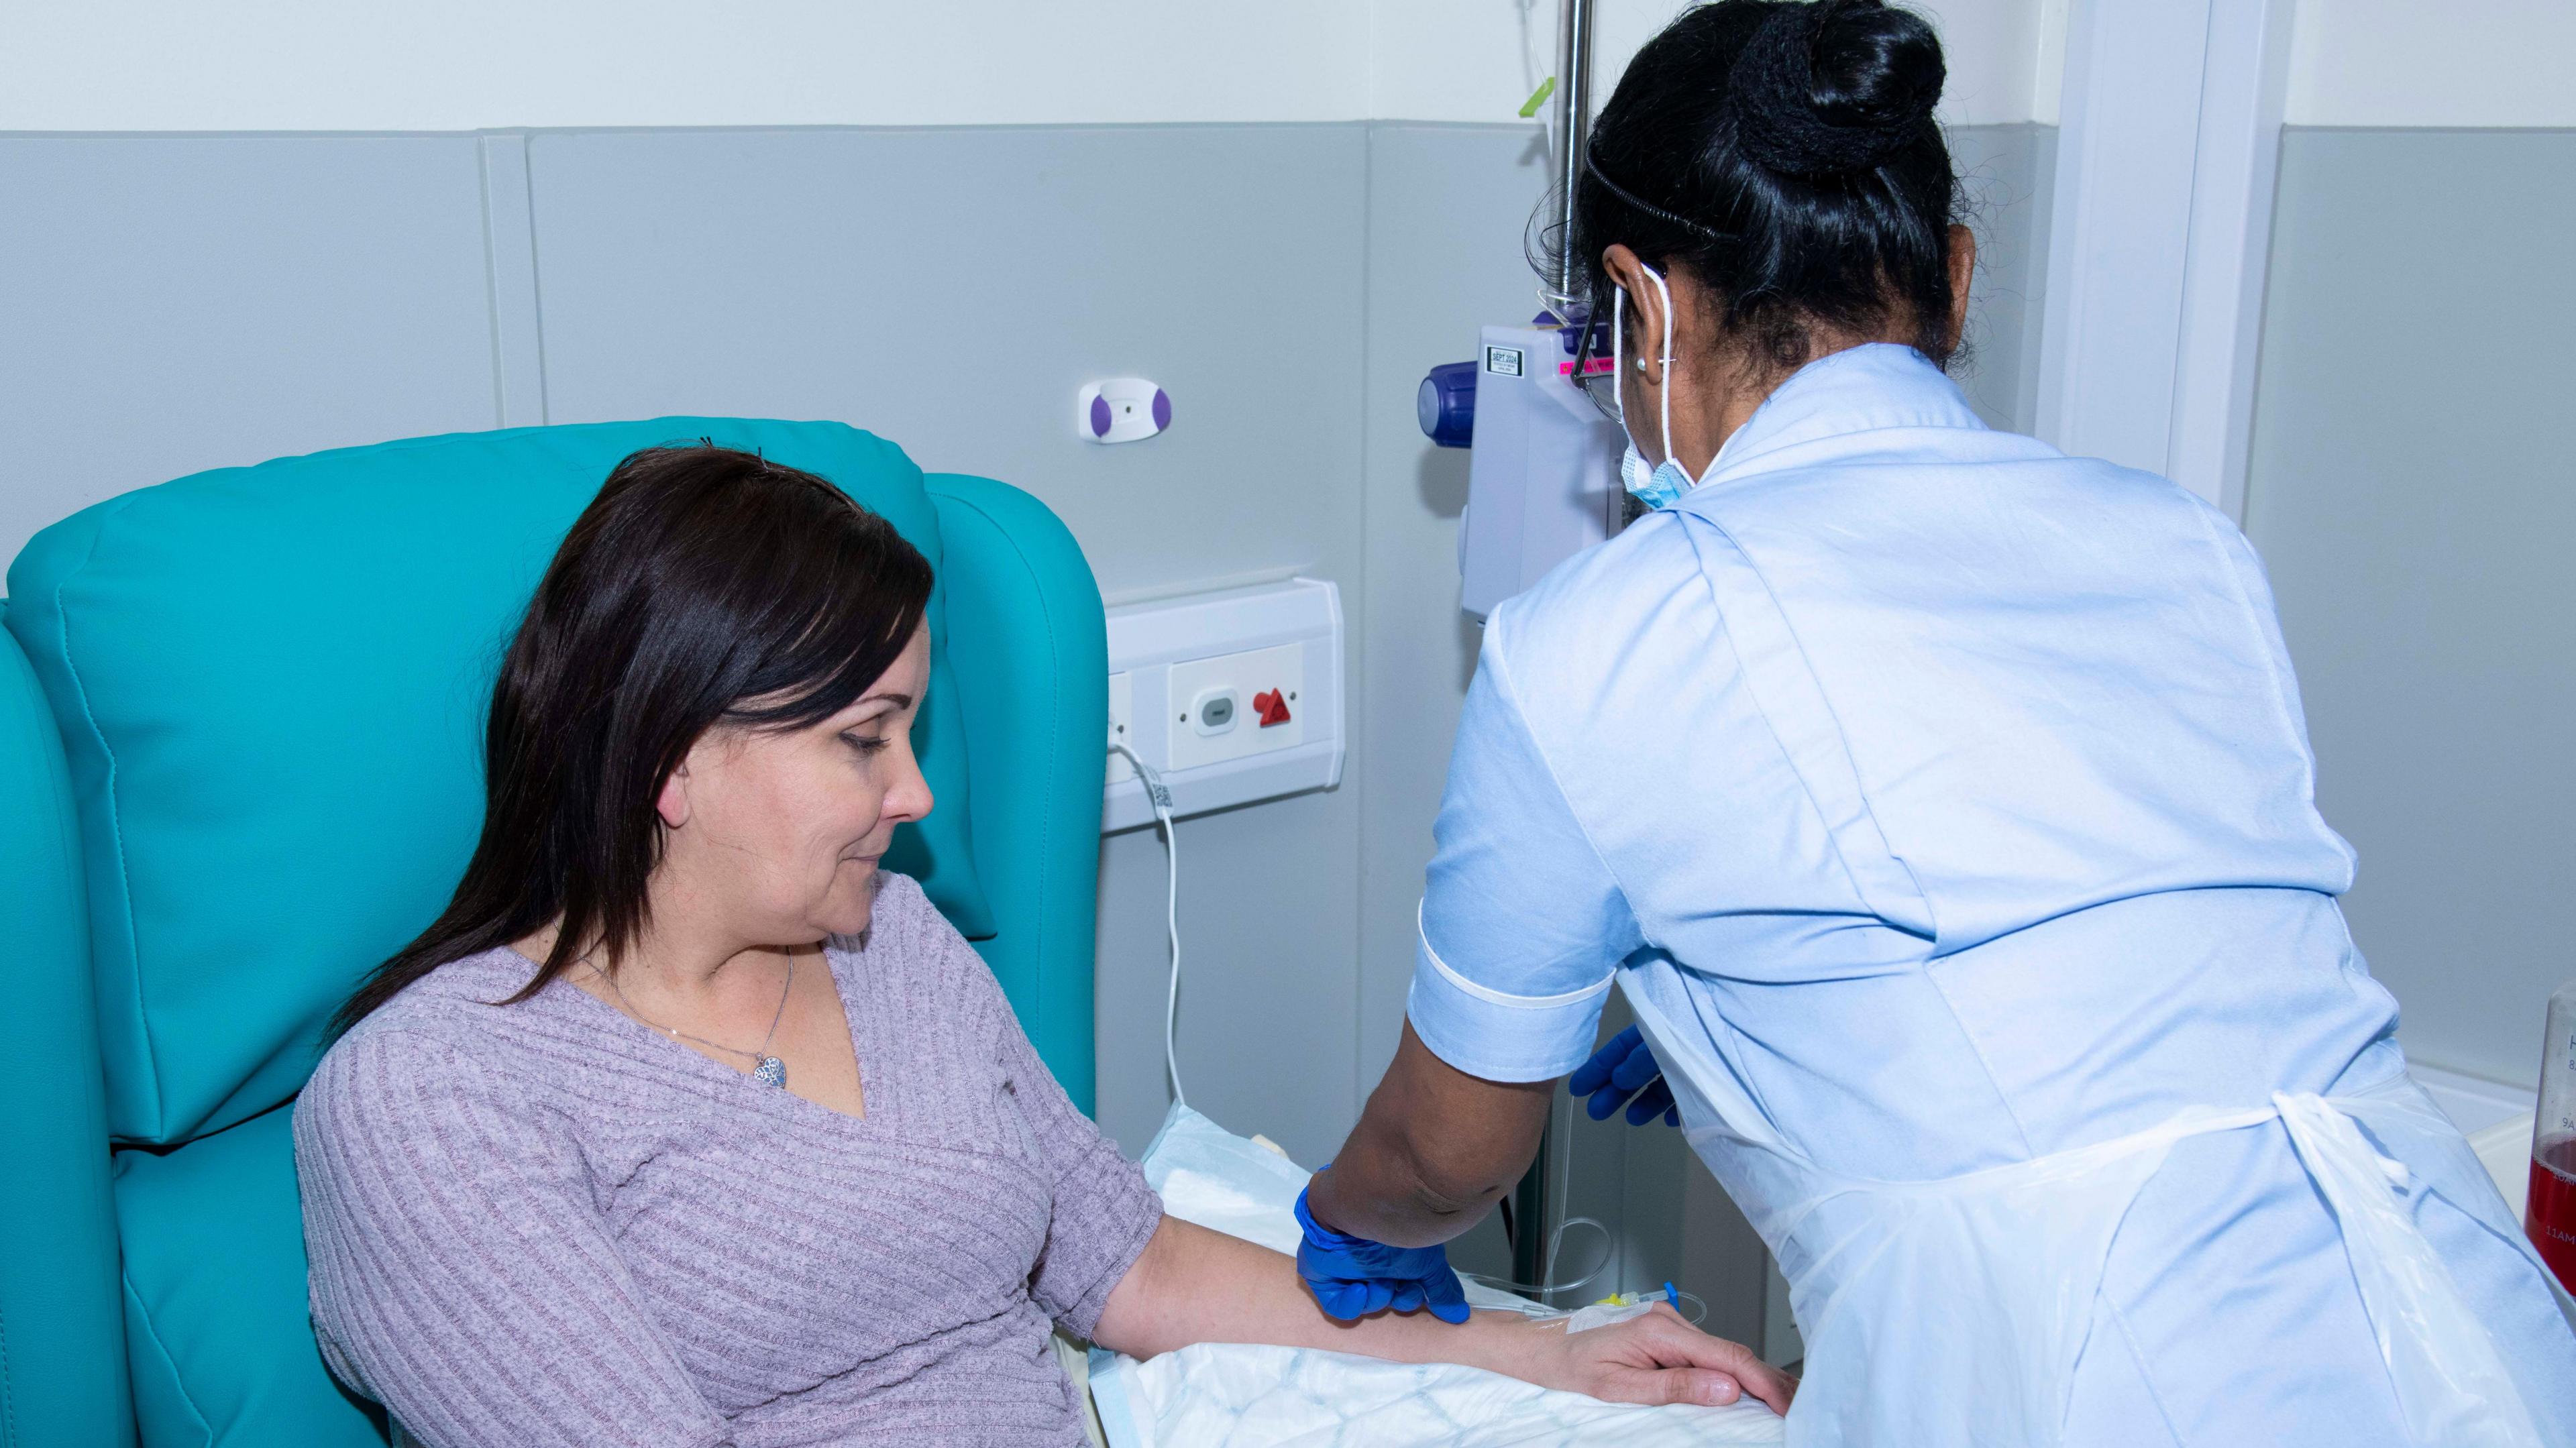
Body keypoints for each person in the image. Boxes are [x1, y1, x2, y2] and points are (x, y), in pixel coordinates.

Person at [1293, 2, 2576, 1444]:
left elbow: (1447, 1147)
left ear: (1642, 310)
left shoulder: (1596, 643)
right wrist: (1760, 1005)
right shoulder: (2179, 543)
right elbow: (2105, 933)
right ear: (1958, 277)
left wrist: (1359, 1219)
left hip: (2088, 1378)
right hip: (2461, 1320)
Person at [291, 443, 1790, 1447]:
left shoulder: (896, 945)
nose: (918, 795)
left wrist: (1527, 1350)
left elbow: (1126, 1263)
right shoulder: (435, 1098)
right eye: (864, 740)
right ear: (673, 759)